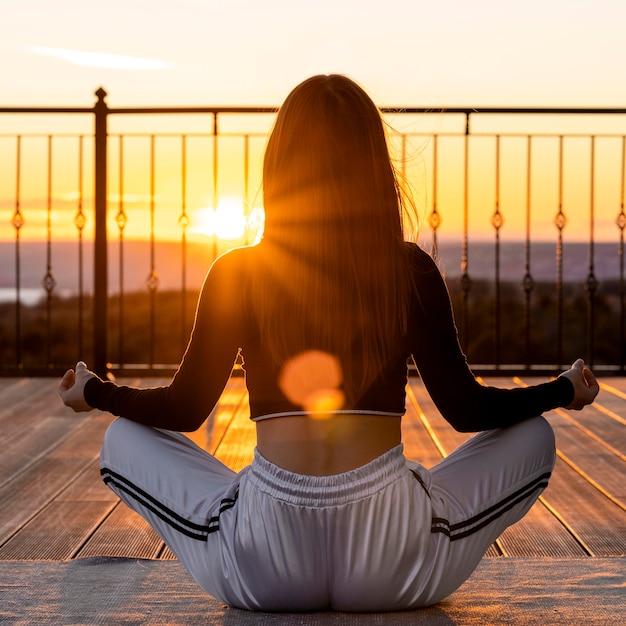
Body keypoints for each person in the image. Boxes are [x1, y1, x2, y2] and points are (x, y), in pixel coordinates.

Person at [59, 74, 599, 612]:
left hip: (265, 561)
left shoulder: (237, 272)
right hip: (391, 561)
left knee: (121, 442)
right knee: (536, 436)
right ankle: (413, 523)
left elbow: (184, 408)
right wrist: (563, 389)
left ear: (280, 167)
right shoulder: (407, 269)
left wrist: (96, 392)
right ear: (374, 167)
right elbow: (466, 408)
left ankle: (243, 521)